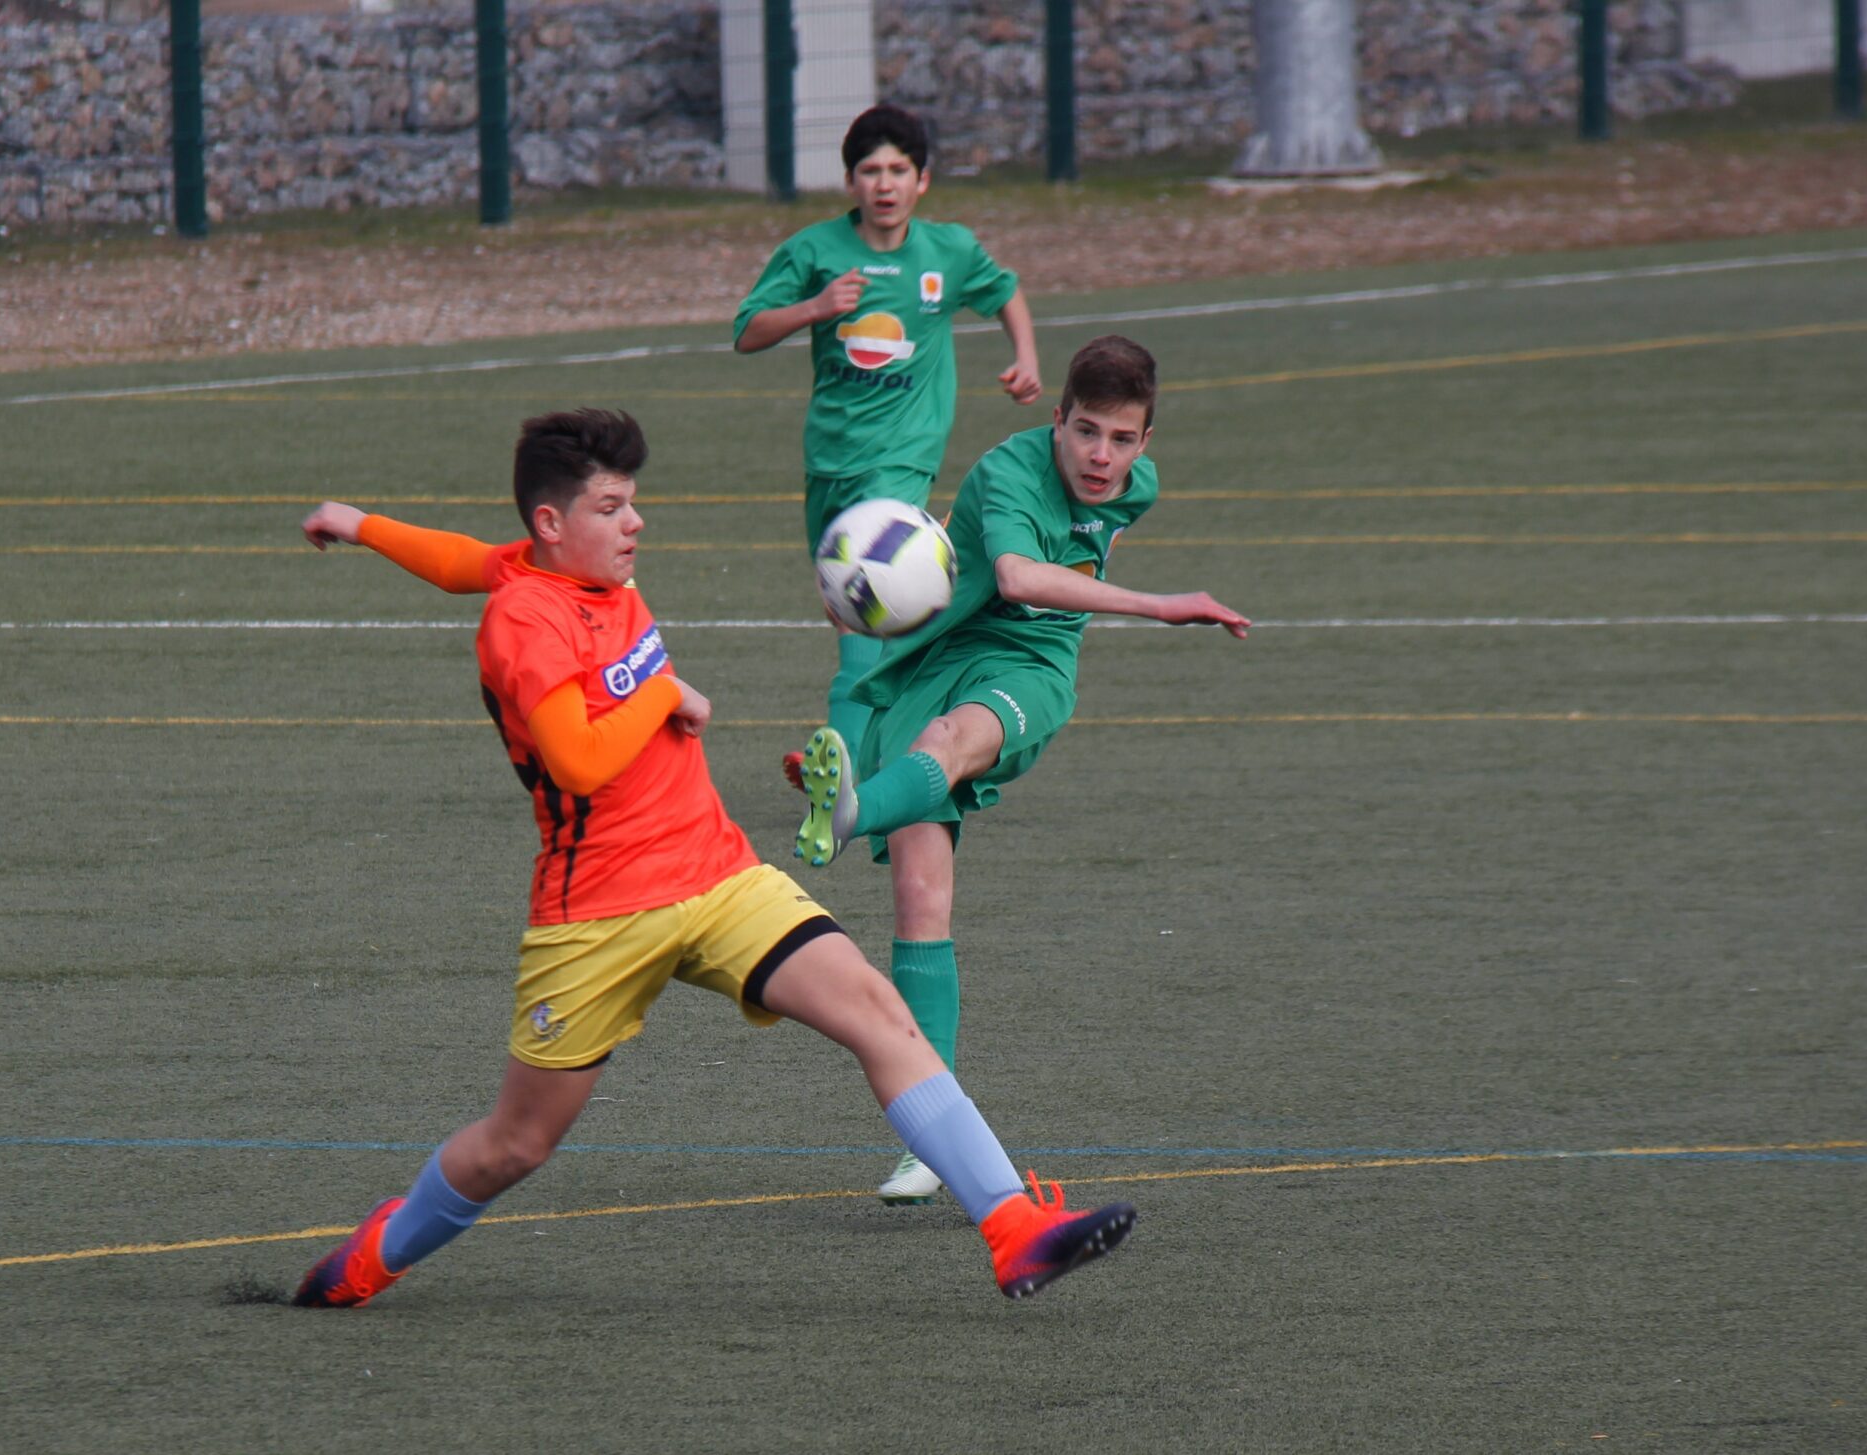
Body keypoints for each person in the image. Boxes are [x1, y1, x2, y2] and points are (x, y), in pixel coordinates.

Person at [286, 407, 1134, 1308]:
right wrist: (661, 695)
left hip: (718, 872)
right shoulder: (526, 621)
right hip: (601, 913)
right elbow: (576, 759)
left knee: (880, 1014)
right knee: (516, 1145)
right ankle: (376, 1254)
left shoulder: (557, 563)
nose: (635, 522)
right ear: (551, 523)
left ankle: (1012, 1227)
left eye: (631, 502)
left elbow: (461, 559)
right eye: (611, 508)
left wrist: (360, 524)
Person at [792, 336, 1251, 1205]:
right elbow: (1013, 574)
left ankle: (849, 812)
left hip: (1031, 669)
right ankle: (932, 1142)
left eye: (1122, 439)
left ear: (1146, 441)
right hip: (935, 659)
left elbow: (1042, 585)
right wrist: (1159, 605)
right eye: (1086, 432)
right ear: (1058, 420)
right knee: (920, 899)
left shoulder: (1136, 487)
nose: (1102, 456)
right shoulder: (1008, 473)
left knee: (952, 741)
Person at [732, 103, 1041, 766]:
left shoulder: (948, 251)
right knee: (857, 615)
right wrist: (815, 308)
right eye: (870, 171)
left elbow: (1005, 290)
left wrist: (1026, 357)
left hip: (901, 459)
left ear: (922, 180)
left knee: (869, 601)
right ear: (851, 181)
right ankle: (884, 747)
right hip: (830, 458)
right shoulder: (815, 251)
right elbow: (747, 331)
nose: (885, 184)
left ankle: (841, 758)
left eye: (899, 170)